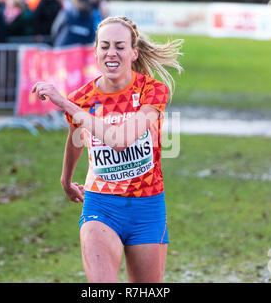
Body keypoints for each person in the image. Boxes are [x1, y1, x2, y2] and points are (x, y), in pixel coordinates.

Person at [32, 16, 183, 282]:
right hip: (101, 206)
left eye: (119, 46)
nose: (111, 53)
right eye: (104, 46)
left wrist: (67, 106)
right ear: (95, 52)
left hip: (147, 208)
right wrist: (66, 180)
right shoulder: (82, 99)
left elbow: (121, 140)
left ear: (133, 53)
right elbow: (76, 139)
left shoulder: (153, 91)